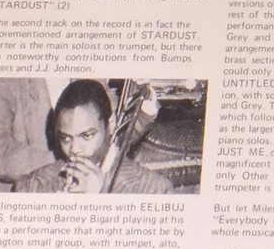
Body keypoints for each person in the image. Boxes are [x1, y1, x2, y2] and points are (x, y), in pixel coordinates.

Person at [13, 80, 171, 194]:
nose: (74, 149)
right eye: (66, 138)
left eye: (86, 136)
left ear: (110, 124)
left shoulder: (155, 190)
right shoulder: (29, 187)